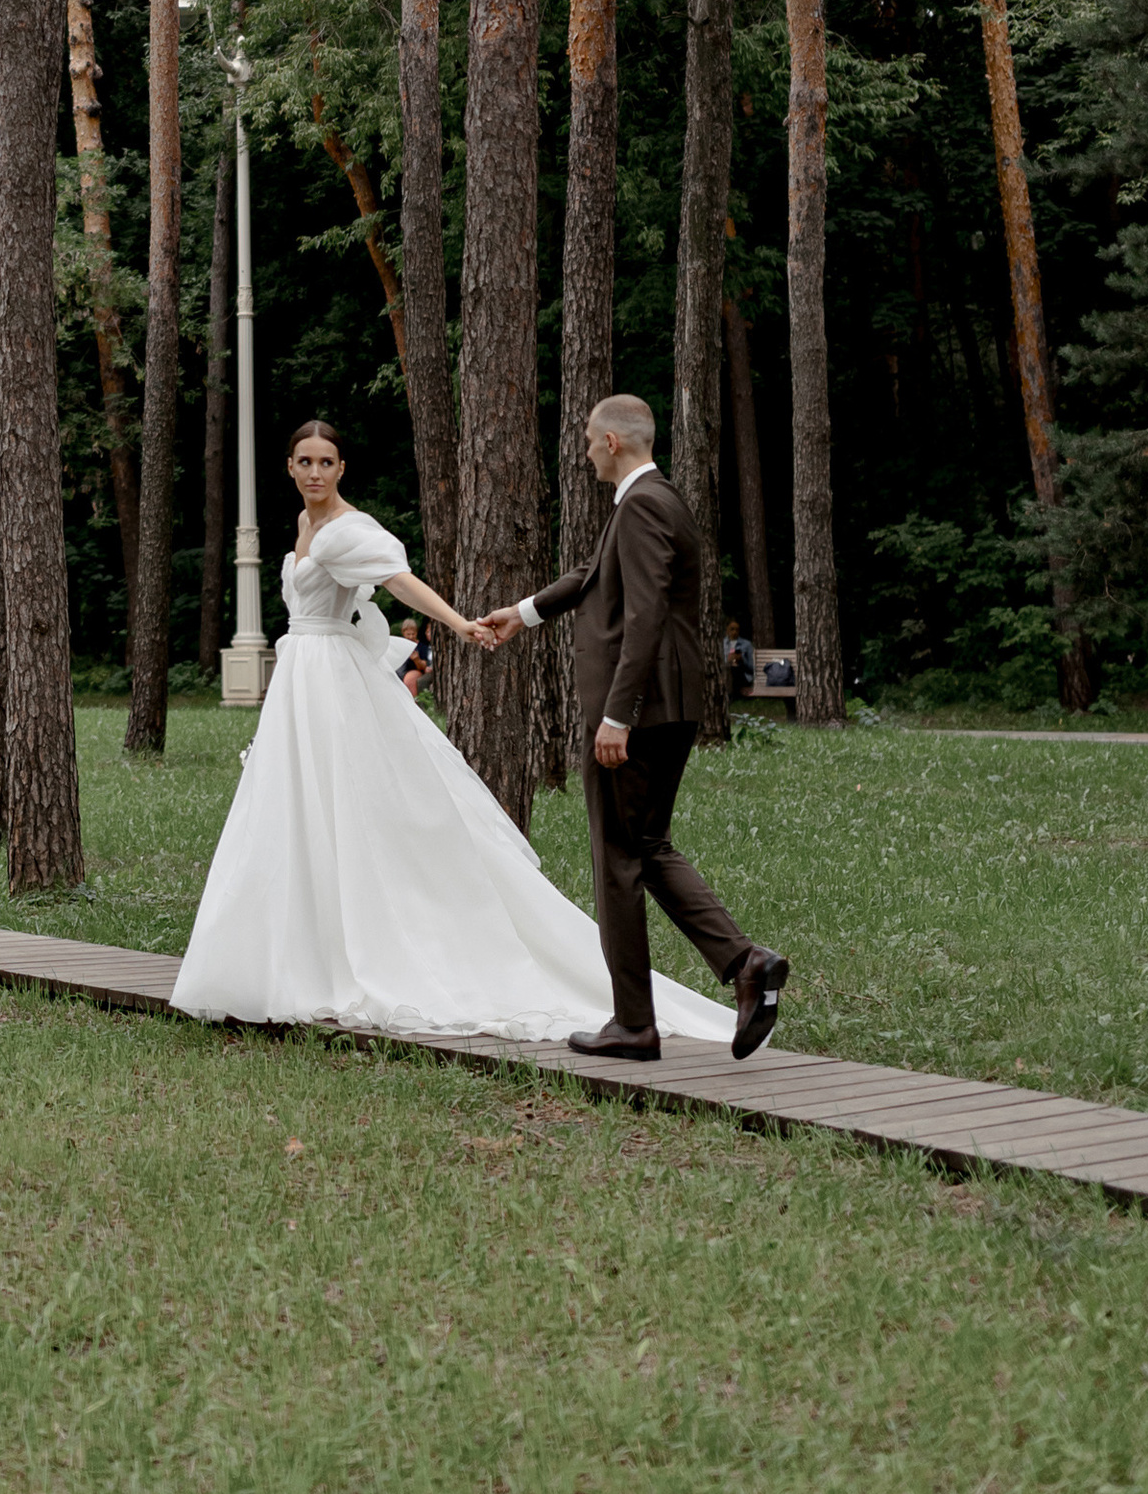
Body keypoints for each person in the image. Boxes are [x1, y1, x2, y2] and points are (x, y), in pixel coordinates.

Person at [169, 416, 736, 1048]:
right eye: (304, 462)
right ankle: (285, 957)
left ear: (341, 470)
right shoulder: (304, 527)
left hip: (332, 682)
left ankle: (373, 946)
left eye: (326, 462)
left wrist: (459, 623)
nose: (315, 473)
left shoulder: (349, 528)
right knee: (290, 812)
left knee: (351, 808)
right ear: (290, 467)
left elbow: (396, 581)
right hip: (300, 681)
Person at [482, 392, 791, 1066]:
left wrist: (616, 714)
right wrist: (525, 612)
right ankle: (744, 962)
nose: (586, 449)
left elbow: (646, 613)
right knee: (645, 845)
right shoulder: (655, 499)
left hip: (641, 710)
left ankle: (633, 1023)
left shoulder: (644, 504)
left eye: (591, 439)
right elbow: (596, 577)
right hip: (669, 704)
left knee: (617, 859)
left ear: (614, 442)